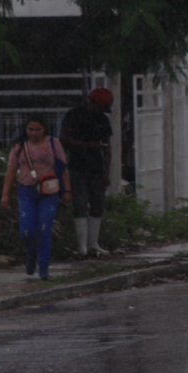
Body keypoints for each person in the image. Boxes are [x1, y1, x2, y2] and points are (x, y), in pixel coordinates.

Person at [0, 116, 70, 280]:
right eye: (30, 129)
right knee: (27, 230)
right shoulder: (19, 146)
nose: (33, 133)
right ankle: (32, 254)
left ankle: (44, 268)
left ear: (44, 129)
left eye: (37, 129)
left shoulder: (53, 143)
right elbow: (11, 170)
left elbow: (63, 168)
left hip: (49, 192)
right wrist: (5, 194)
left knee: (45, 229)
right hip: (26, 191)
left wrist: (67, 190)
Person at [60, 87, 113, 257]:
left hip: (96, 168)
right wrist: (84, 145)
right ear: (92, 103)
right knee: (80, 205)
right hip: (76, 166)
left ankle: (93, 244)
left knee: (97, 205)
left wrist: (107, 173)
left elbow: (107, 147)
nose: (101, 112)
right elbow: (63, 138)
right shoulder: (74, 115)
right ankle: (82, 246)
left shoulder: (103, 120)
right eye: (99, 107)